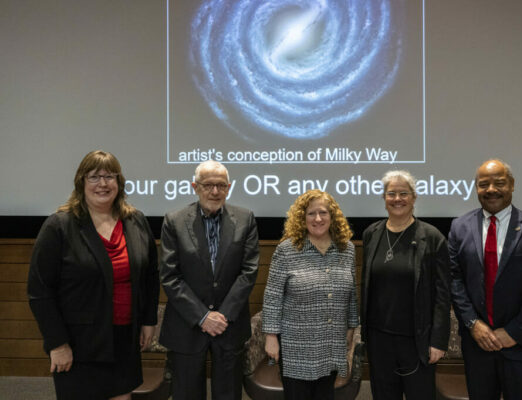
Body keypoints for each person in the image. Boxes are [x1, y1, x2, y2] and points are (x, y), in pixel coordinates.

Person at [27, 150, 159, 400]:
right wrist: (57, 344)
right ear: (81, 182)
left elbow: (150, 276)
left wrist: (148, 320)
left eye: (110, 176)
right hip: (79, 345)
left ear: (119, 183)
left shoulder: (136, 221)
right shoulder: (59, 225)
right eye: (94, 177)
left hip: (124, 340)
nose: (103, 184)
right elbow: (40, 291)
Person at [448, 159, 522, 400]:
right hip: (478, 345)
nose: (491, 189)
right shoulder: (460, 227)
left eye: (499, 183)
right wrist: (472, 324)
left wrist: (513, 332)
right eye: (483, 184)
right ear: (476, 188)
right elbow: (454, 280)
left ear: (512, 185)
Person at [159, 160, 259, 400]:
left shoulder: (245, 219)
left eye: (221, 185)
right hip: (187, 326)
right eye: (208, 185)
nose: (215, 191)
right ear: (195, 187)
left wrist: (221, 316)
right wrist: (203, 317)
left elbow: (249, 271)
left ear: (229, 187)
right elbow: (170, 276)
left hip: (229, 325)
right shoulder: (174, 221)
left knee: (229, 395)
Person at [361, 170, 451, 400]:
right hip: (379, 340)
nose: (397, 199)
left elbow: (442, 295)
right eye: (391, 193)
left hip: (417, 341)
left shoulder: (432, 238)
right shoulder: (372, 234)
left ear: (414, 197)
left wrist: (438, 341)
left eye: (404, 193)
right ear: (384, 198)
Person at [262, 189, 359, 400]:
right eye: (311, 213)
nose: (317, 219)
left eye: (323, 212)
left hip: (332, 342)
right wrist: (271, 337)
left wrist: (352, 328)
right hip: (296, 346)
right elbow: (272, 296)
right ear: (301, 218)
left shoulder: (347, 249)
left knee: (325, 395)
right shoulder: (287, 250)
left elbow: (352, 294)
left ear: (332, 217)